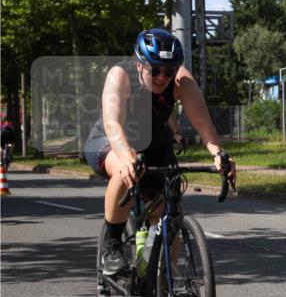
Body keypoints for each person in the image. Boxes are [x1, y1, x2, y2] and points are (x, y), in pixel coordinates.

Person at [85, 29, 236, 276]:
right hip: (109, 141)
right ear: (139, 64)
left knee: (169, 214)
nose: (162, 77)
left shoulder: (182, 81)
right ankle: (112, 247)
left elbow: (203, 123)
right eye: (154, 70)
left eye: (169, 70)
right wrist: (127, 157)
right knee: (124, 172)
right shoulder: (120, 75)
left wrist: (219, 155)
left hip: (155, 145)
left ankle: (164, 283)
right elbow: (113, 124)